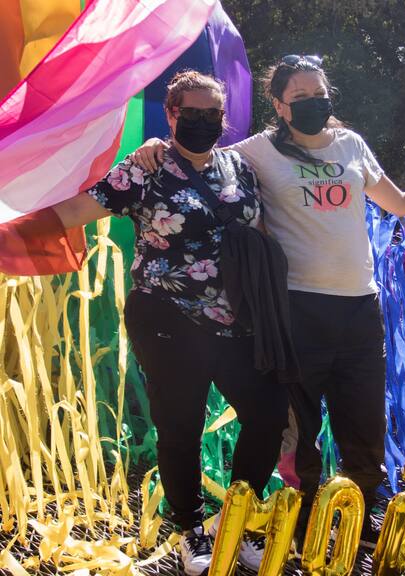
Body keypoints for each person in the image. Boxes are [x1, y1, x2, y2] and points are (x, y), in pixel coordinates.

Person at [132, 55, 405, 553]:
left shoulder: (351, 145)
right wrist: (157, 144)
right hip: (297, 310)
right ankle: (301, 521)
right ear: (278, 105)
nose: (311, 104)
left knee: (363, 419)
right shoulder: (256, 151)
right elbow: (199, 157)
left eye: (318, 95)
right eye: (299, 98)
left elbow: (400, 202)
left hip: (360, 306)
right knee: (299, 430)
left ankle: (362, 514)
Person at [51, 71, 287, 576]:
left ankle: (236, 523)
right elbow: (78, 208)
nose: (203, 122)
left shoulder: (238, 168)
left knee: (267, 413)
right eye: (192, 113)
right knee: (181, 425)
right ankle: (190, 531)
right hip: (165, 314)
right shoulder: (146, 169)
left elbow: (260, 227)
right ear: (172, 114)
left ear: (224, 119)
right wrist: (15, 217)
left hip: (235, 317)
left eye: (213, 115)